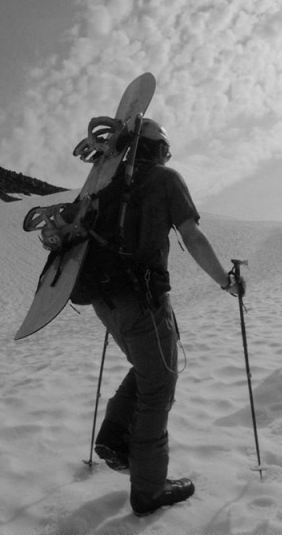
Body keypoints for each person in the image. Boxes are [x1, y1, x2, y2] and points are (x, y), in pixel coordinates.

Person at [73, 117, 242, 516]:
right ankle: (148, 490)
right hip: (142, 296)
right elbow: (193, 236)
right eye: (164, 150)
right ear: (157, 149)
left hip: (104, 299)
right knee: (159, 386)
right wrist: (225, 281)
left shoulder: (108, 183)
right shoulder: (166, 180)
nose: (165, 157)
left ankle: (115, 437)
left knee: (148, 369)